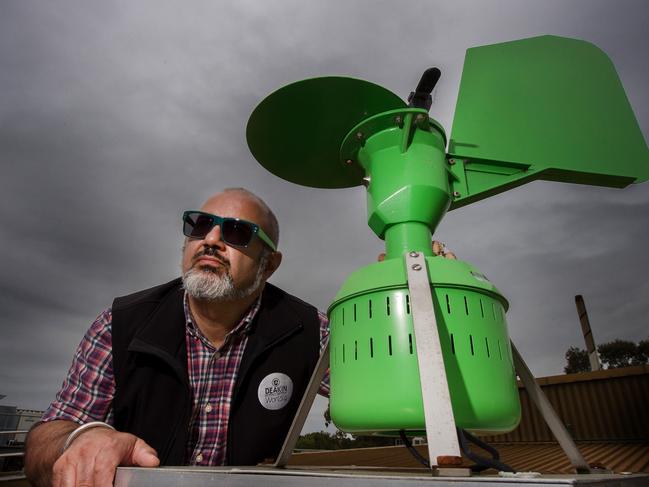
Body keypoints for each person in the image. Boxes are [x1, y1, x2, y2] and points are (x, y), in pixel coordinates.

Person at [25, 187, 456, 486]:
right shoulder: (120, 325)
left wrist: (415, 297)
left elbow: (404, 398)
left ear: (269, 264)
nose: (211, 240)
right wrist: (81, 439)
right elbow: (43, 443)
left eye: (235, 232)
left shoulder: (311, 331)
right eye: (200, 225)